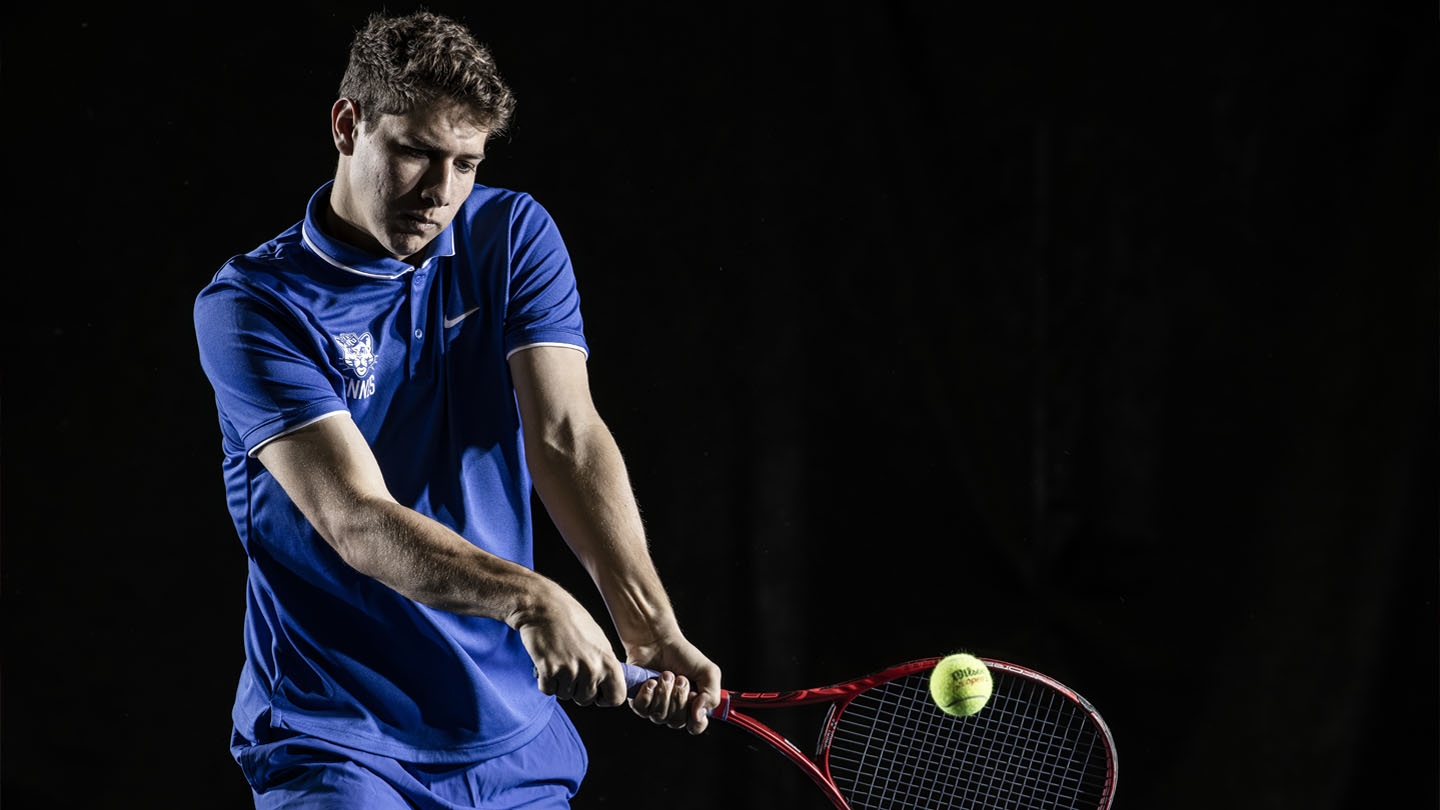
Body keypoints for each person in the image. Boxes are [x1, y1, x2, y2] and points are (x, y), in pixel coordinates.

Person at [193, 9, 721, 808]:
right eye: (415, 153)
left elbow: (566, 437)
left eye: (466, 163)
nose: (441, 191)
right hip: (340, 735)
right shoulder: (252, 307)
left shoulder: (509, 236)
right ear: (348, 125)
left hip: (509, 733)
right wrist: (532, 598)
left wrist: (648, 626)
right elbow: (355, 518)